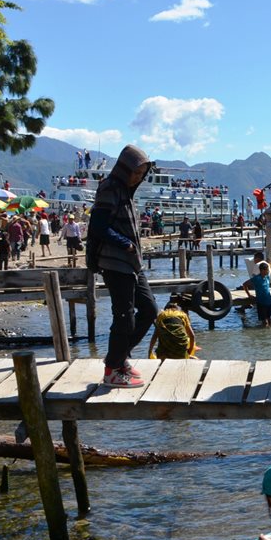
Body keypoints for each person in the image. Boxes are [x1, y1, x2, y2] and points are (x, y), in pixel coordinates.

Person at [87, 144, 159, 388]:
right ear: (123, 169)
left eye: (142, 174)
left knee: (149, 310)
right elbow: (98, 226)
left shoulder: (127, 192)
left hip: (132, 264)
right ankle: (112, 371)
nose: (137, 178)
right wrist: (124, 243)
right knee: (124, 317)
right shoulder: (109, 188)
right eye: (135, 172)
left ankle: (118, 358)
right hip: (115, 262)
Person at [243, 261, 271, 327]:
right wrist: (249, 295)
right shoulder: (256, 278)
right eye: (266, 270)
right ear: (261, 270)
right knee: (264, 322)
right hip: (261, 303)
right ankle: (263, 334)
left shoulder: (267, 277)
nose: (267, 271)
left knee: (270, 320)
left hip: (269, 301)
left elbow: (270, 283)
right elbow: (245, 284)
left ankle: (268, 334)